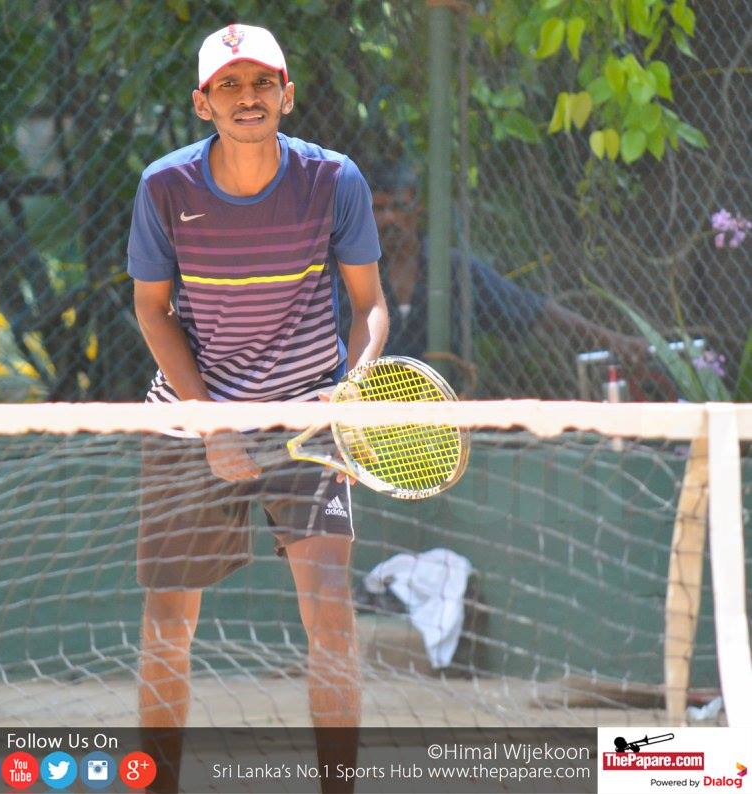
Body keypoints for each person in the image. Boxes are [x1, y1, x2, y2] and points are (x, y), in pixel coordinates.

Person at [127, 23, 384, 793]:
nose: (248, 98)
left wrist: (353, 383)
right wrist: (213, 427)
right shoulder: (163, 188)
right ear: (202, 103)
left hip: (306, 418)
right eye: (229, 86)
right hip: (190, 417)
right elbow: (152, 313)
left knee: (331, 610)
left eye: (261, 83)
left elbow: (368, 306)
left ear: (286, 95)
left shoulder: (334, 180)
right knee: (170, 623)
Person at [367, 160, 646, 378]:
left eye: (398, 206)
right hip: (366, 416)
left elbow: (532, 309)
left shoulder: (452, 269)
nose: (389, 218)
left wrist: (613, 340)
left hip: (445, 416)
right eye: (379, 209)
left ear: (417, 208)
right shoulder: (352, 274)